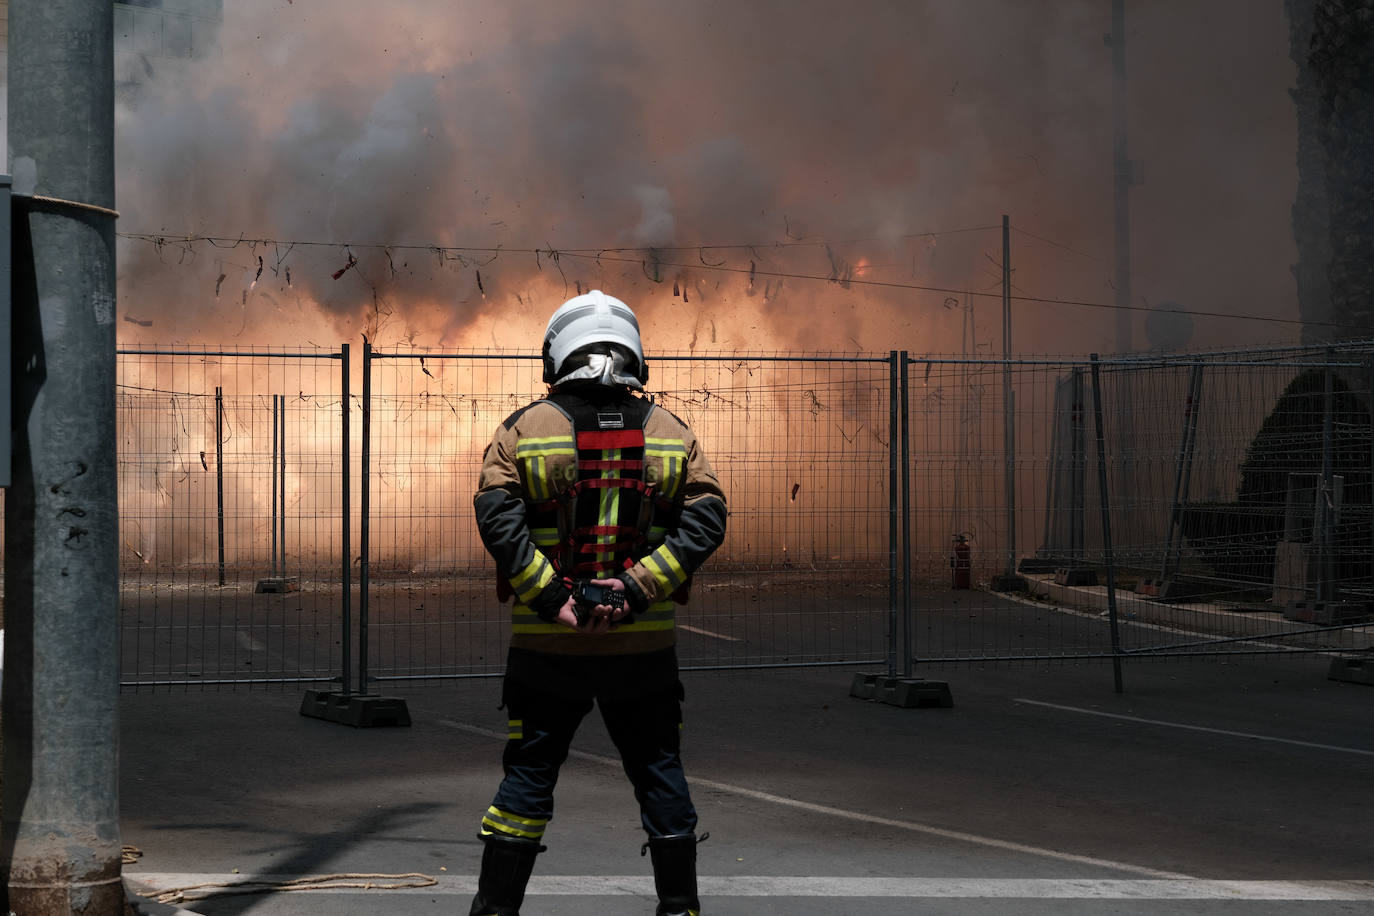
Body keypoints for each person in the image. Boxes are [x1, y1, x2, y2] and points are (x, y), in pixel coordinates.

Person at [469, 289, 728, 916]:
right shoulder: (674, 435)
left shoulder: (521, 431)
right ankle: (680, 909)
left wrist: (555, 598)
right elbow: (708, 518)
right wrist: (637, 589)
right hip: (644, 651)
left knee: (528, 777)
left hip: (546, 649)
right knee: (659, 772)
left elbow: (499, 521)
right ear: (633, 351)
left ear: (559, 351)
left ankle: (495, 911)